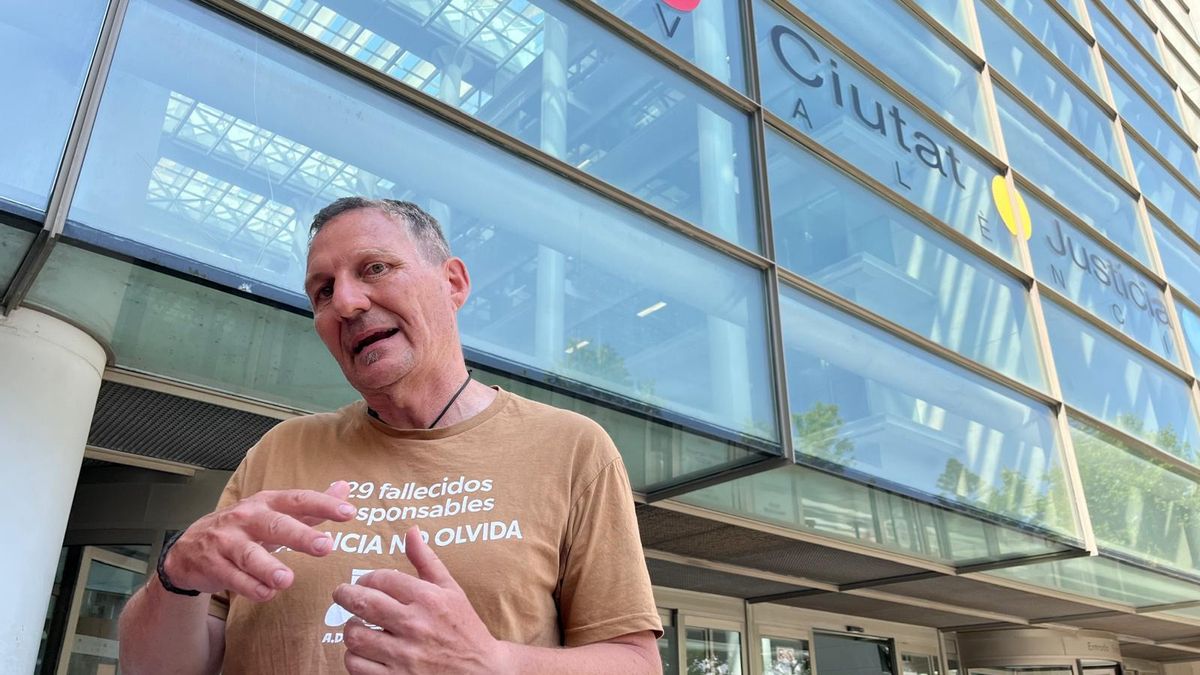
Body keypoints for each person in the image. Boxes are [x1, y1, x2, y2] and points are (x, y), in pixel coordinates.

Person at [119, 198, 663, 674]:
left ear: (453, 283)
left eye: (375, 268)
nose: (347, 304)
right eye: (322, 292)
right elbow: (156, 668)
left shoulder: (570, 448)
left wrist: (495, 664)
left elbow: (635, 663)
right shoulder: (277, 450)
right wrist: (178, 574)